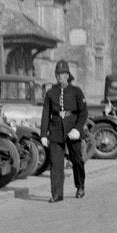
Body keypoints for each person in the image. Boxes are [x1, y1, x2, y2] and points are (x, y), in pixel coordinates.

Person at [40, 60, 88, 202]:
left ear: (68, 75)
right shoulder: (50, 93)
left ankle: (80, 186)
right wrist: (43, 134)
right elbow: (45, 114)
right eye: (58, 74)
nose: (60, 77)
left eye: (63, 74)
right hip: (55, 130)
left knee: (77, 160)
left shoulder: (76, 92)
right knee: (56, 163)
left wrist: (78, 129)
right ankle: (57, 194)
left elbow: (83, 112)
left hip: (72, 128)